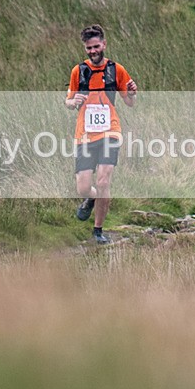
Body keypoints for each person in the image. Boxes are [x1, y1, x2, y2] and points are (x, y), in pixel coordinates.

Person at [65, 25, 138, 244]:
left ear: (104, 44)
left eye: (96, 46)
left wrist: (132, 93)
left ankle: (98, 231)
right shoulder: (79, 71)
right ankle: (90, 198)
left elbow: (129, 102)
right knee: (84, 186)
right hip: (85, 135)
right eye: (89, 48)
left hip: (110, 131)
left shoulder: (116, 70)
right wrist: (72, 102)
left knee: (104, 181)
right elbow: (68, 100)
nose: (93, 51)